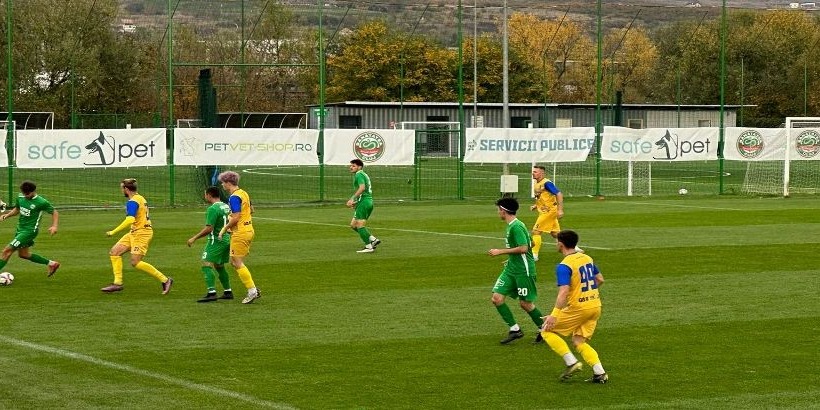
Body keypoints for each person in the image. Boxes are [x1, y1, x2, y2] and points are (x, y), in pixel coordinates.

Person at [540, 230, 608, 384]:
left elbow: (563, 292)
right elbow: (600, 279)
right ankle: (600, 373)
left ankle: (571, 362)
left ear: (561, 244)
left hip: (579, 308)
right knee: (579, 341)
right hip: (595, 305)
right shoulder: (587, 258)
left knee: (546, 330)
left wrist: (554, 314)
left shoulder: (564, 266)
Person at [489, 197, 545, 345]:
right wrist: (512, 259)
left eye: (498, 210)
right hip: (511, 269)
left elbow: (525, 248)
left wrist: (500, 251)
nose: (498, 212)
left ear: (504, 211)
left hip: (523, 271)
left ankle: (544, 330)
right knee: (497, 298)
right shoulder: (514, 225)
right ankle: (515, 330)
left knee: (525, 304)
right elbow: (531, 243)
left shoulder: (516, 227)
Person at [101, 178, 173, 294]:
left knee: (135, 262)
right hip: (134, 232)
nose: (121, 191)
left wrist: (113, 232)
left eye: (122, 188)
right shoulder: (140, 198)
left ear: (126, 189)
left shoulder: (132, 202)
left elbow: (130, 219)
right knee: (114, 252)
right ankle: (117, 283)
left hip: (142, 233)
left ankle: (165, 280)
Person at [217, 171, 261, 304]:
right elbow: (251, 210)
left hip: (240, 232)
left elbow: (236, 217)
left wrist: (224, 229)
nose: (222, 185)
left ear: (228, 183)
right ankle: (252, 288)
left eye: (223, 182)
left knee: (237, 262)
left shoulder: (234, 197)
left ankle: (252, 290)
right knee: (234, 261)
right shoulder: (244, 193)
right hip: (248, 230)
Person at [0, 181, 60, 277]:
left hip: (29, 231)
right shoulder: (20, 197)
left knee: (7, 251)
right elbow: (17, 209)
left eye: (28, 194)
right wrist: (6, 215)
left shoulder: (41, 202)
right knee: (23, 254)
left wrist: (54, 226)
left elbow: (54, 212)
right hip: (20, 229)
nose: (26, 196)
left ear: (34, 191)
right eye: (24, 193)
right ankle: (52, 264)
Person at [187, 186, 234, 303]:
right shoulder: (225, 206)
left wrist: (194, 238)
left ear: (209, 195)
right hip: (226, 239)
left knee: (206, 263)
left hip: (216, 240)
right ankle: (228, 291)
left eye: (205, 194)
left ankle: (211, 292)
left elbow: (209, 228)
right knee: (219, 265)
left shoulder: (213, 209)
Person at [530, 165, 576, 261]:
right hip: (545, 211)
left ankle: (534, 255)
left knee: (536, 231)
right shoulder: (537, 183)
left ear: (542, 173)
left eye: (535, 172)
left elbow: (558, 194)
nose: (533, 173)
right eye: (533, 171)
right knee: (556, 234)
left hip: (549, 212)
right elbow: (543, 197)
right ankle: (574, 249)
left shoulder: (547, 183)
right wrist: (536, 205)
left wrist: (560, 209)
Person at [346, 159, 380, 253]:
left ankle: (369, 247)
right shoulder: (364, 174)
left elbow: (362, 188)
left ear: (359, 167)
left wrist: (352, 198)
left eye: (353, 166)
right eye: (351, 165)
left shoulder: (359, 174)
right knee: (353, 225)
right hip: (366, 201)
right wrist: (357, 202)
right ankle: (373, 240)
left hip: (365, 202)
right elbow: (365, 191)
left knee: (359, 225)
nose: (351, 167)